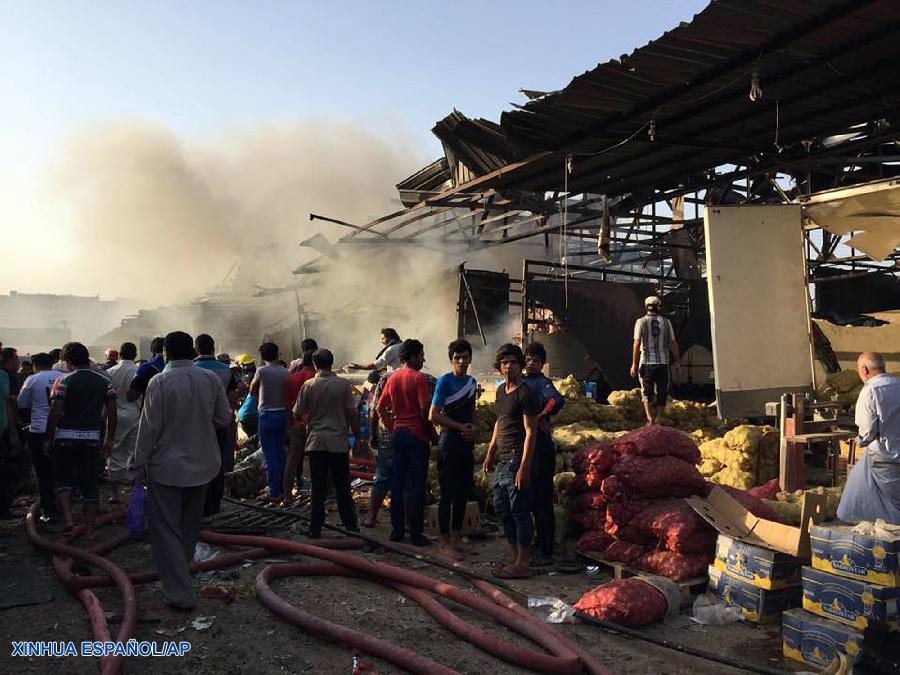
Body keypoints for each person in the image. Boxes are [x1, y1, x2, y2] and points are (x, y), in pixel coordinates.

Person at [128, 331, 231, 610]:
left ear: (165, 354)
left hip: (167, 468)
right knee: (188, 527)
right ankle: (181, 576)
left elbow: (149, 429)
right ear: (192, 351)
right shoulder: (210, 379)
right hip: (204, 464)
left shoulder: (159, 382)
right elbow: (224, 418)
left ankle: (179, 593)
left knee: (166, 531)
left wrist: (137, 463)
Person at [44, 342, 117, 538]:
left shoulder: (64, 381)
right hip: (91, 439)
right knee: (89, 482)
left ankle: (68, 519)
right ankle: (90, 530)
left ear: (68, 362)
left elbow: (55, 412)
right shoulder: (104, 382)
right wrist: (109, 439)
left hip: (65, 437)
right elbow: (112, 413)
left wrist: (48, 438)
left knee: (62, 478)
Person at [483, 343, 539, 579]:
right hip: (503, 459)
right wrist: (489, 452)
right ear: (499, 367)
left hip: (517, 458)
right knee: (502, 510)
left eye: (513, 362)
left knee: (519, 511)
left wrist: (524, 467)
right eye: (505, 363)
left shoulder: (526, 393)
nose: (509, 366)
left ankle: (523, 562)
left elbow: (531, 432)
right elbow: (499, 423)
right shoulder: (500, 391)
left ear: (521, 365)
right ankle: (513, 555)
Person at [293, 348, 359, 537]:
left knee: (318, 487)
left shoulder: (309, 385)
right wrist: (358, 437)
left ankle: (315, 528)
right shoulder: (343, 385)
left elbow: (297, 412)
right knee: (342, 486)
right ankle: (351, 526)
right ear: (332, 362)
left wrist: (309, 423)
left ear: (315, 364)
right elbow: (351, 414)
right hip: (338, 442)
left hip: (316, 443)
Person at [376, 338, 434, 545]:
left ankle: (397, 530)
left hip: (398, 435)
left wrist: (392, 427)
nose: (423, 359)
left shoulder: (392, 378)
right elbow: (424, 409)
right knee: (416, 486)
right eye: (421, 355)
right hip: (417, 436)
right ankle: (416, 534)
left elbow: (380, 407)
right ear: (413, 357)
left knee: (397, 483)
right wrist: (432, 435)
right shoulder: (418, 378)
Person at [837, 352, 900, 524]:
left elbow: (867, 431)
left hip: (884, 456)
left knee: (885, 502)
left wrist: (860, 440)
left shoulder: (870, 391)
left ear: (864, 370)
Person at [429, 339, 477, 559]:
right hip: (449, 442)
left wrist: (473, 428)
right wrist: (459, 427)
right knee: (447, 493)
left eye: (465, 357)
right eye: (457, 358)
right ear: (451, 360)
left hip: (466, 442)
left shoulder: (472, 382)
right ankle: (444, 541)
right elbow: (434, 415)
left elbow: (471, 411)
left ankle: (457, 538)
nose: (461, 361)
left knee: (462, 492)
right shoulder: (444, 382)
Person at [523, 342, 566, 566]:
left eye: (536, 360)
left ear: (542, 364)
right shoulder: (521, 382)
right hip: (526, 448)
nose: (531, 363)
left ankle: (546, 550)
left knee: (542, 499)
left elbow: (557, 400)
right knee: (529, 499)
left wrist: (541, 416)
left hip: (541, 448)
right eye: (528, 359)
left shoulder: (541, 382)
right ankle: (536, 542)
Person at [194, 334, 238, 516]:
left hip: (195, 427)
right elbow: (233, 396)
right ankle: (214, 505)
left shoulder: (193, 369)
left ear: (196, 349)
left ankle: (198, 505)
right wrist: (228, 415)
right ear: (213, 347)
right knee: (217, 463)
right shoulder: (225, 370)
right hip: (219, 425)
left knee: (197, 463)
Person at [17, 353, 61, 520]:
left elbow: (22, 403)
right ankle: (65, 505)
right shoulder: (63, 376)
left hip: (39, 430)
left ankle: (48, 510)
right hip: (61, 430)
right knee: (61, 471)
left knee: (43, 473)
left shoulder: (33, 379)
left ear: (35, 365)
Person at [630, 296, 681, 425]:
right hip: (663, 362)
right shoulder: (666, 322)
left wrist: (634, 364)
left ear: (646, 306)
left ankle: (650, 418)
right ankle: (659, 417)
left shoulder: (640, 322)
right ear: (659, 307)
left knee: (646, 391)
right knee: (662, 390)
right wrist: (678, 362)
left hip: (646, 362)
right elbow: (673, 343)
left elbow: (636, 344)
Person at [250, 342, 290, 504]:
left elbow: (252, 389)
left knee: (269, 455)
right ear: (277, 354)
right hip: (283, 414)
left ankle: (274, 492)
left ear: (262, 356)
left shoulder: (262, 371)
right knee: (280, 453)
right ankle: (283, 488)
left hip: (267, 415)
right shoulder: (285, 372)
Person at [103, 342, 141, 505]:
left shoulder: (109, 372)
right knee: (134, 452)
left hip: (114, 415)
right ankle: (134, 488)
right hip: (135, 415)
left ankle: (114, 493)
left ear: (119, 354)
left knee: (114, 451)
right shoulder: (139, 372)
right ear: (135, 355)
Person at [284, 338, 318, 501]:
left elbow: (286, 403)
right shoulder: (316, 378)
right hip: (315, 425)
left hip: (296, 423)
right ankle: (319, 493)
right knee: (318, 459)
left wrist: (289, 422)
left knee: (293, 458)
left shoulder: (292, 378)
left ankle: (287, 494)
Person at [0, 348, 21, 519]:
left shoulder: (5, 376)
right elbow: (10, 404)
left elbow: (8, 404)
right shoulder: (7, 376)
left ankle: (4, 507)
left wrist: (12, 430)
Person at [127, 337, 165, 403]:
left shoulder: (146, 367)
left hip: (153, 409)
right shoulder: (182, 367)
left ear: (153, 351)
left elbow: (131, 396)